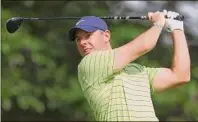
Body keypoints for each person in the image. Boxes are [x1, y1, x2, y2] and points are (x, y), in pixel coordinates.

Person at [68, 10, 190, 121]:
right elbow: (145, 45)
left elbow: (181, 75)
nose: (82, 42)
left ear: (106, 36)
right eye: (78, 39)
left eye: (88, 35)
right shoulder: (88, 64)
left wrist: (177, 29)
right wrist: (158, 23)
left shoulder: (136, 70)